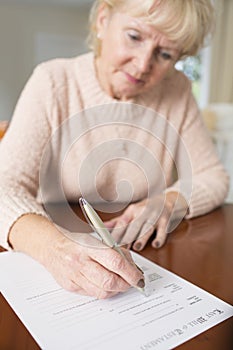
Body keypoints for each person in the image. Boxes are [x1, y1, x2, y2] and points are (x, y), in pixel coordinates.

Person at [0, 0, 229, 299]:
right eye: (134, 36)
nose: (143, 64)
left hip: (141, 249)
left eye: (164, 54)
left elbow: (213, 175)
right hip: (48, 247)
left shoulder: (178, 90)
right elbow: (4, 185)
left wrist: (171, 200)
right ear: (103, 20)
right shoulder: (53, 81)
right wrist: (56, 248)